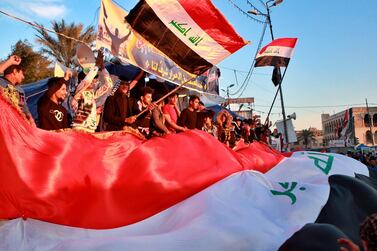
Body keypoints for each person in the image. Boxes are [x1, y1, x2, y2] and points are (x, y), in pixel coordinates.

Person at [71, 50, 113, 133]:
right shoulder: (79, 90)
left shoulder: (92, 94)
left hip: (91, 129)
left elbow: (109, 85)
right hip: (79, 129)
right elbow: (87, 81)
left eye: (95, 78)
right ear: (81, 79)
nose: (94, 80)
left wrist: (103, 67)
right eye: (93, 78)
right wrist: (96, 65)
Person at [0, 56, 35, 126]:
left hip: (18, 125)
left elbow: (23, 106)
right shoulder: (1, 82)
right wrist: (9, 62)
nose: (23, 77)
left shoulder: (20, 90)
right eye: (21, 73)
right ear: (15, 72)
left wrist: (30, 118)